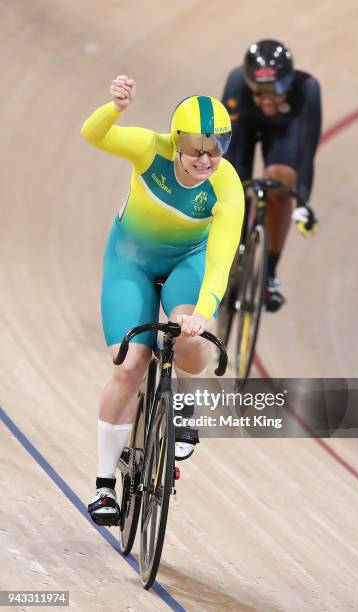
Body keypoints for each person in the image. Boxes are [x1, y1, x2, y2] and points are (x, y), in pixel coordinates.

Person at [81, 76, 244, 525]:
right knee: (129, 365)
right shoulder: (148, 149)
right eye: (196, 148)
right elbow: (93, 135)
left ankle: (182, 400)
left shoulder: (228, 185)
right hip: (129, 259)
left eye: (217, 148)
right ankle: (103, 486)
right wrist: (114, 108)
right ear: (176, 143)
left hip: (187, 264)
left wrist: (205, 313)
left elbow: (221, 258)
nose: (206, 159)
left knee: (191, 342)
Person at [222, 39, 322, 311]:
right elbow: (225, 147)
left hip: (283, 133)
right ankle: (228, 258)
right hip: (243, 127)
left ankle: (269, 275)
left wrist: (302, 202)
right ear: (248, 83)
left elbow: (305, 152)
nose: (267, 99)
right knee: (232, 183)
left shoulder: (307, 89)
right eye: (258, 90)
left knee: (280, 183)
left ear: (288, 82)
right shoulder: (236, 84)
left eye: (275, 89)